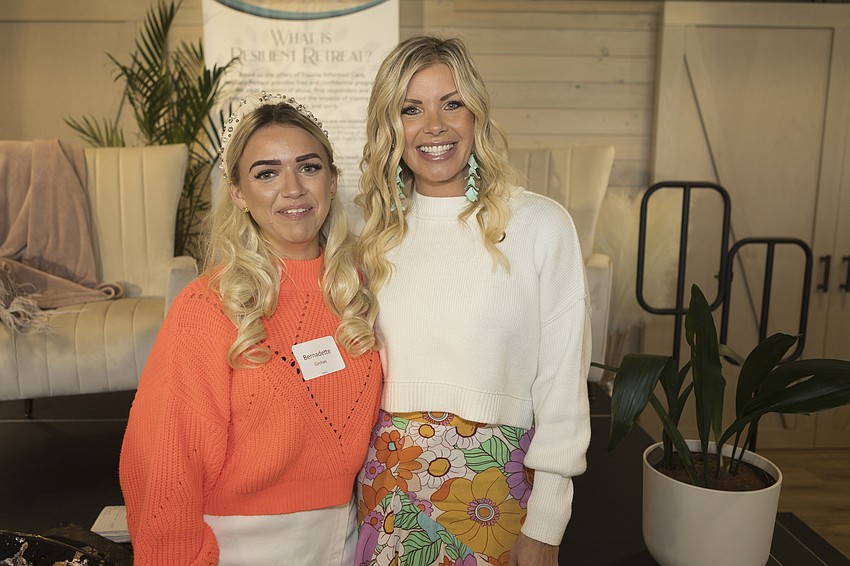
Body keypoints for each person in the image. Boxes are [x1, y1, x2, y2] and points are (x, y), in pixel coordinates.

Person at [353, 36, 592, 566]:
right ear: (391, 125)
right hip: (384, 487)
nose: (433, 126)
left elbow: (562, 383)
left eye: (451, 103)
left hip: (496, 487)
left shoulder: (539, 224)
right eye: (411, 109)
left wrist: (549, 523)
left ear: (476, 115)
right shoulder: (368, 234)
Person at [119, 92, 382, 566]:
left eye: (308, 167)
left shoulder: (358, 290)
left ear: (332, 179)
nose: (293, 188)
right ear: (238, 193)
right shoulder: (207, 306)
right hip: (239, 546)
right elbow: (164, 459)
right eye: (266, 173)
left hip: (346, 538)